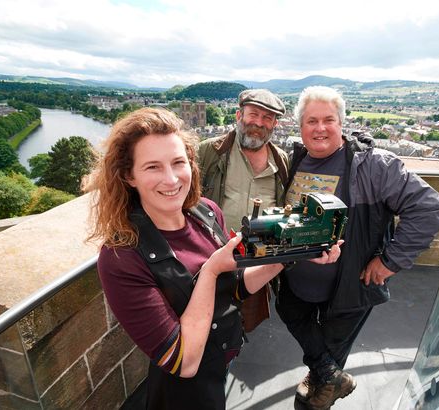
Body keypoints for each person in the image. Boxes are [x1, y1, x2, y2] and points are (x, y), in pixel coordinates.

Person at [86, 107, 343, 410]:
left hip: (222, 357)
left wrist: (297, 252)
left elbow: (235, 286)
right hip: (183, 388)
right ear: (129, 175)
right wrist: (210, 271)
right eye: (153, 167)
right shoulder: (121, 256)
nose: (170, 179)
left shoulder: (206, 212)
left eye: (178, 162)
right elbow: (183, 361)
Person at [276, 86, 439, 410]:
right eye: (311, 120)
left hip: (349, 286)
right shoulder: (296, 160)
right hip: (297, 279)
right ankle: (325, 372)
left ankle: (318, 392)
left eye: (328, 119)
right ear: (300, 127)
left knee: (329, 350)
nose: (320, 128)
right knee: (290, 312)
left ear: (341, 124)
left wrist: (389, 261)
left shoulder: (374, 166)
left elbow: (430, 208)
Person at [198, 89, 289, 332]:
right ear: (239, 115)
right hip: (212, 257)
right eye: (254, 114)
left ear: (275, 124)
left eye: (267, 118)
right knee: (207, 321)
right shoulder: (209, 152)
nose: (258, 123)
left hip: (256, 262)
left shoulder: (281, 161)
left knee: (243, 325)